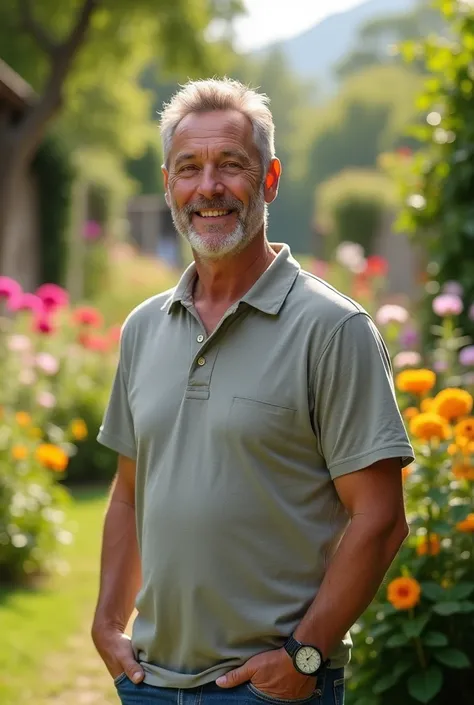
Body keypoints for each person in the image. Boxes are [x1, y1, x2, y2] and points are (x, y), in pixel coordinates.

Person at [91, 78, 414, 705]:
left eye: (230, 165)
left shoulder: (333, 329)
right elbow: (131, 493)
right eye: (190, 168)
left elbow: (380, 519)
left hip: (270, 690)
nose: (208, 186)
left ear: (268, 180)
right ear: (168, 184)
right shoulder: (142, 328)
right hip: (149, 684)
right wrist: (108, 625)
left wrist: (305, 656)